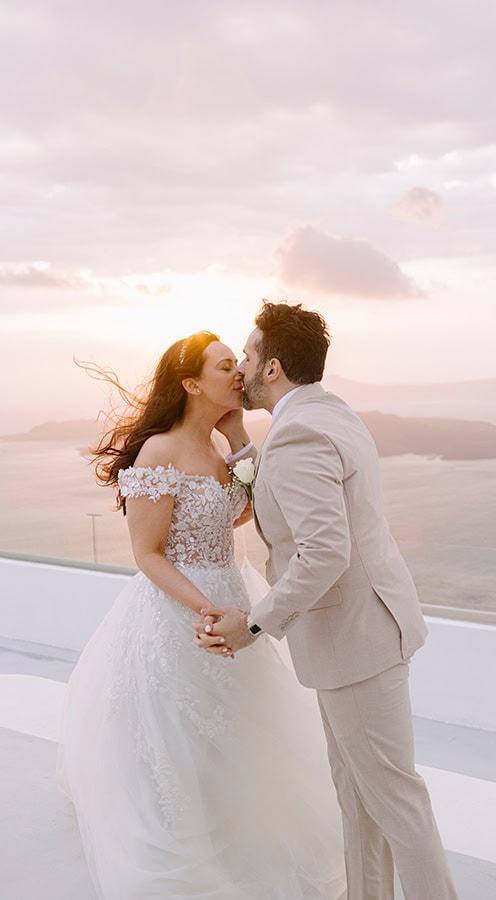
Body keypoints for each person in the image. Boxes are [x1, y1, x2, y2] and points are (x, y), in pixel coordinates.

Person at [56, 331, 345, 899]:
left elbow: (247, 510)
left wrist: (237, 438)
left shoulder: (218, 448)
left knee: (241, 731)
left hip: (233, 600)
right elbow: (147, 554)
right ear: (190, 384)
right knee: (180, 736)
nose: (239, 372)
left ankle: (237, 840)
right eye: (224, 365)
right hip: (182, 611)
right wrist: (207, 608)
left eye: (239, 362)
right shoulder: (159, 451)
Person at [196, 302, 459, 900]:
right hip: (367, 632)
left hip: (357, 643)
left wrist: (254, 624)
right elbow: (282, 492)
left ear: (272, 368)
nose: (241, 367)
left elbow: (324, 552)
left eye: (248, 355)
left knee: (396, 799)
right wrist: (238, 440)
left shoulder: (297, 433)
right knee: (359, 796)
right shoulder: (326, 411)